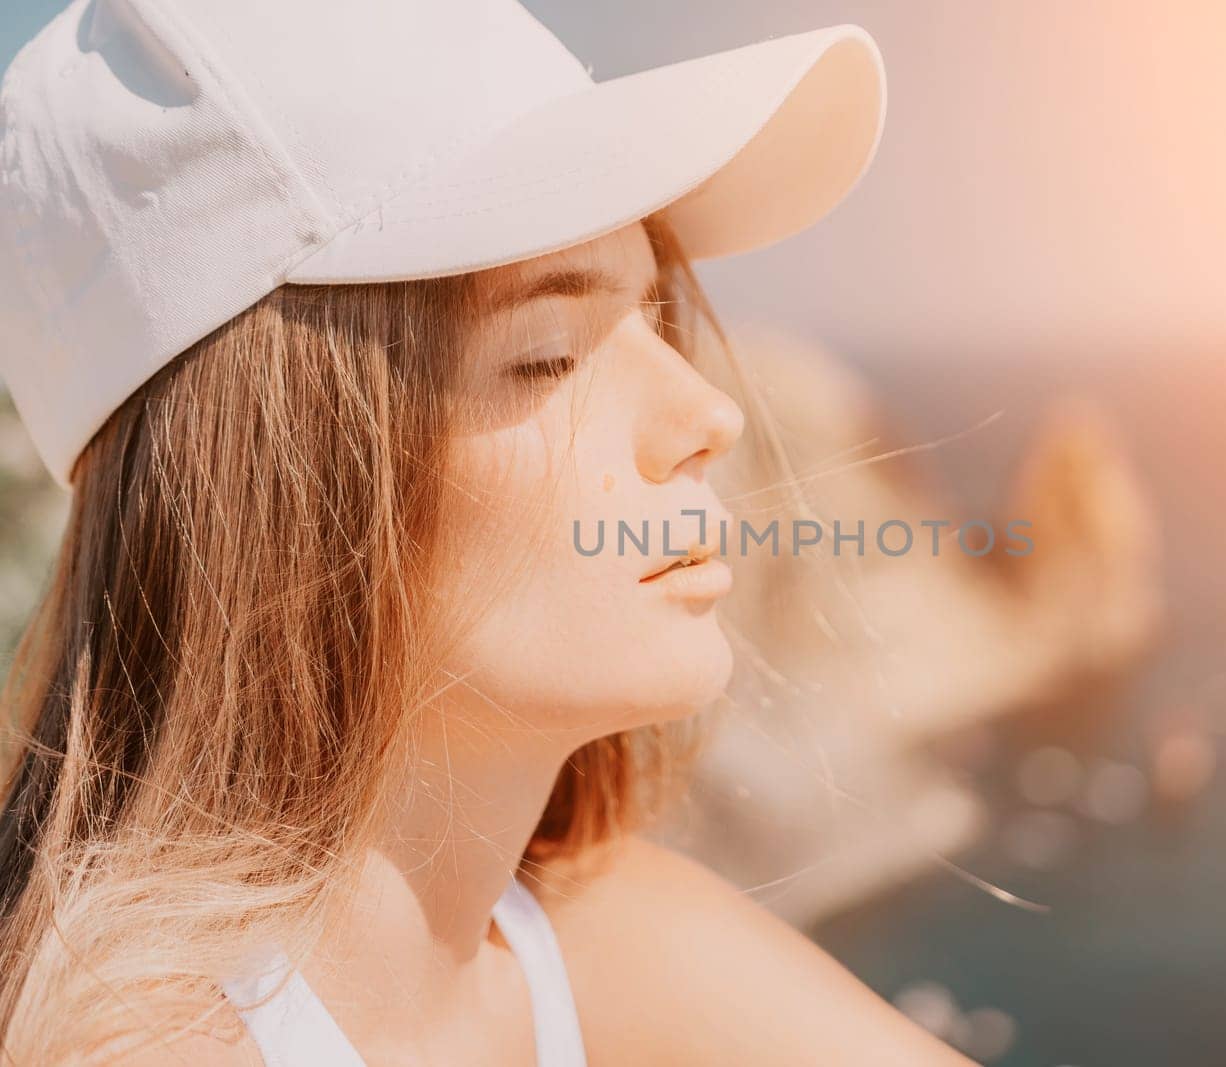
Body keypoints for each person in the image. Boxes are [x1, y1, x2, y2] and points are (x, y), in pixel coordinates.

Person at [0, 1, 977, 1063]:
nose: (709, 414)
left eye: (653, 318)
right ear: (285, 489)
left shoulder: (591, 936)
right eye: (548, 351)